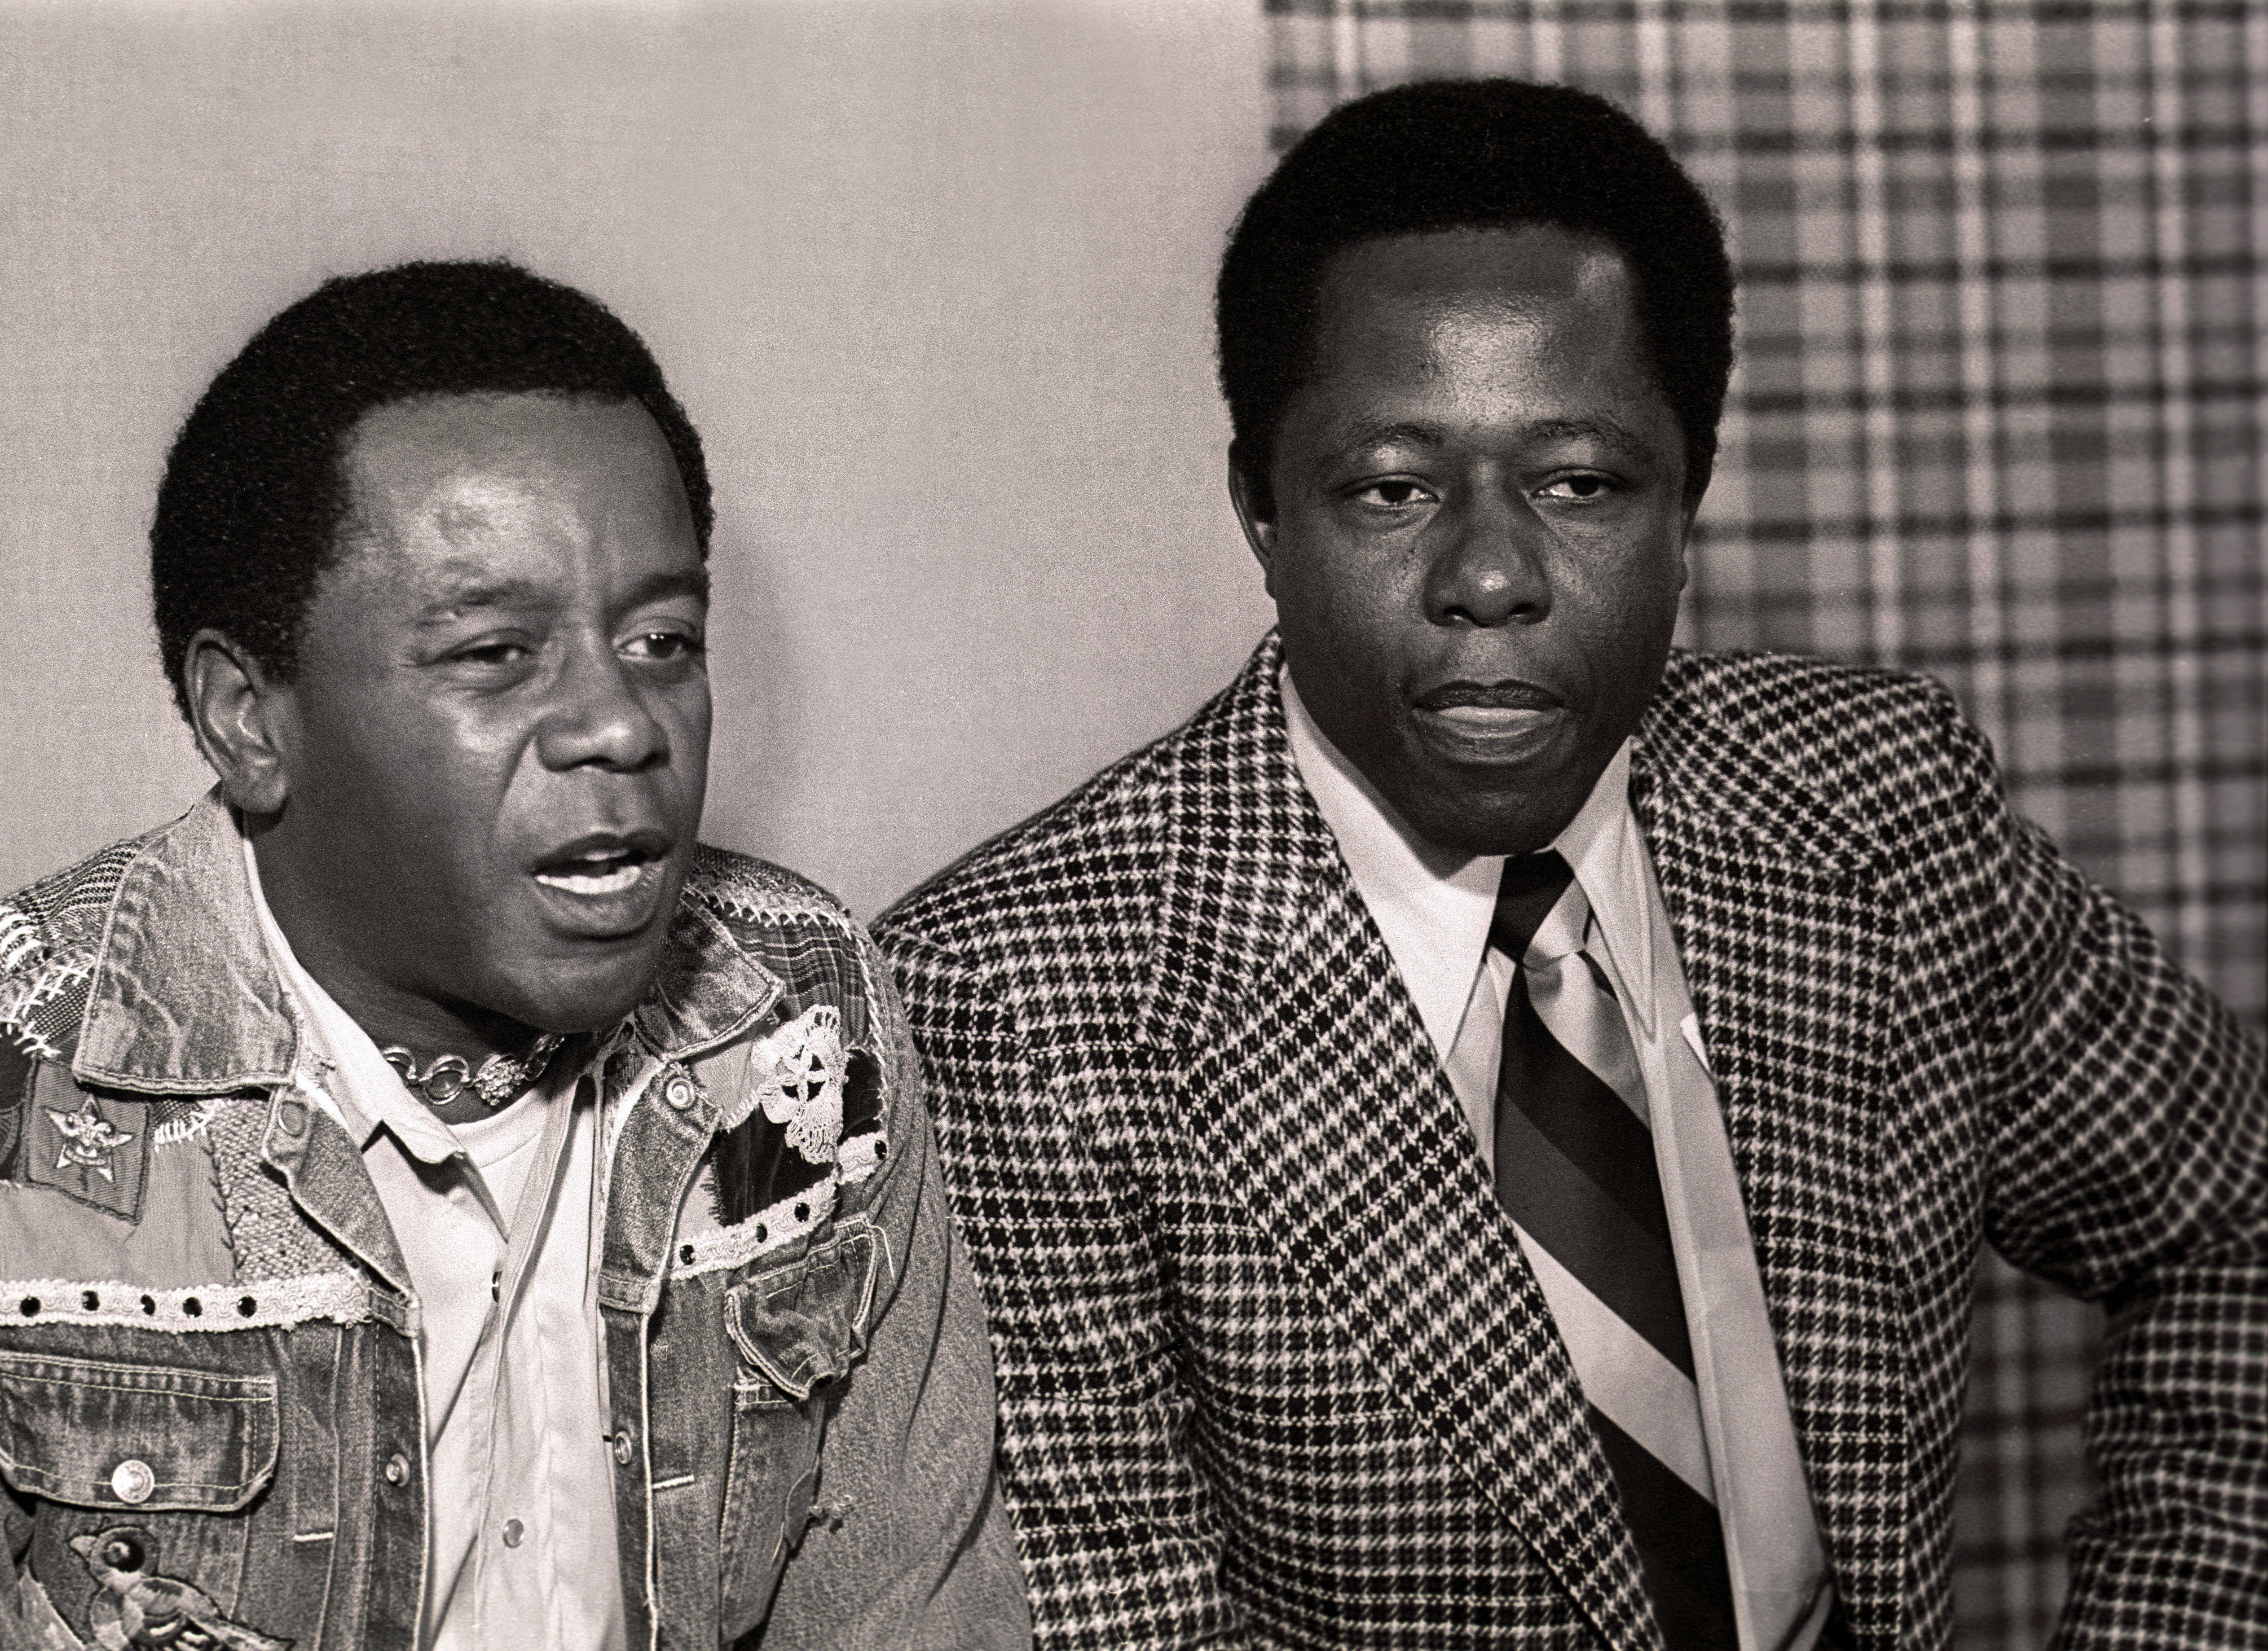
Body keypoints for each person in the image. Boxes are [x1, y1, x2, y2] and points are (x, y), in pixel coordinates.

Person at [874, 79, 2268, 1651]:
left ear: (1690, 504)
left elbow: (2230, 1215)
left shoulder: (1878, 811)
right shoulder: (1017, 1006)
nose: (1488, 575)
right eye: (1392, 488)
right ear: (1260, 508)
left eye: (1582, 483)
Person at [0, 260, 1026, 1651]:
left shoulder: (800, 1026)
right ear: (248, 720)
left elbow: (910, 1612)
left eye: (663, 638)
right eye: (495, 653)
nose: (621, 723)